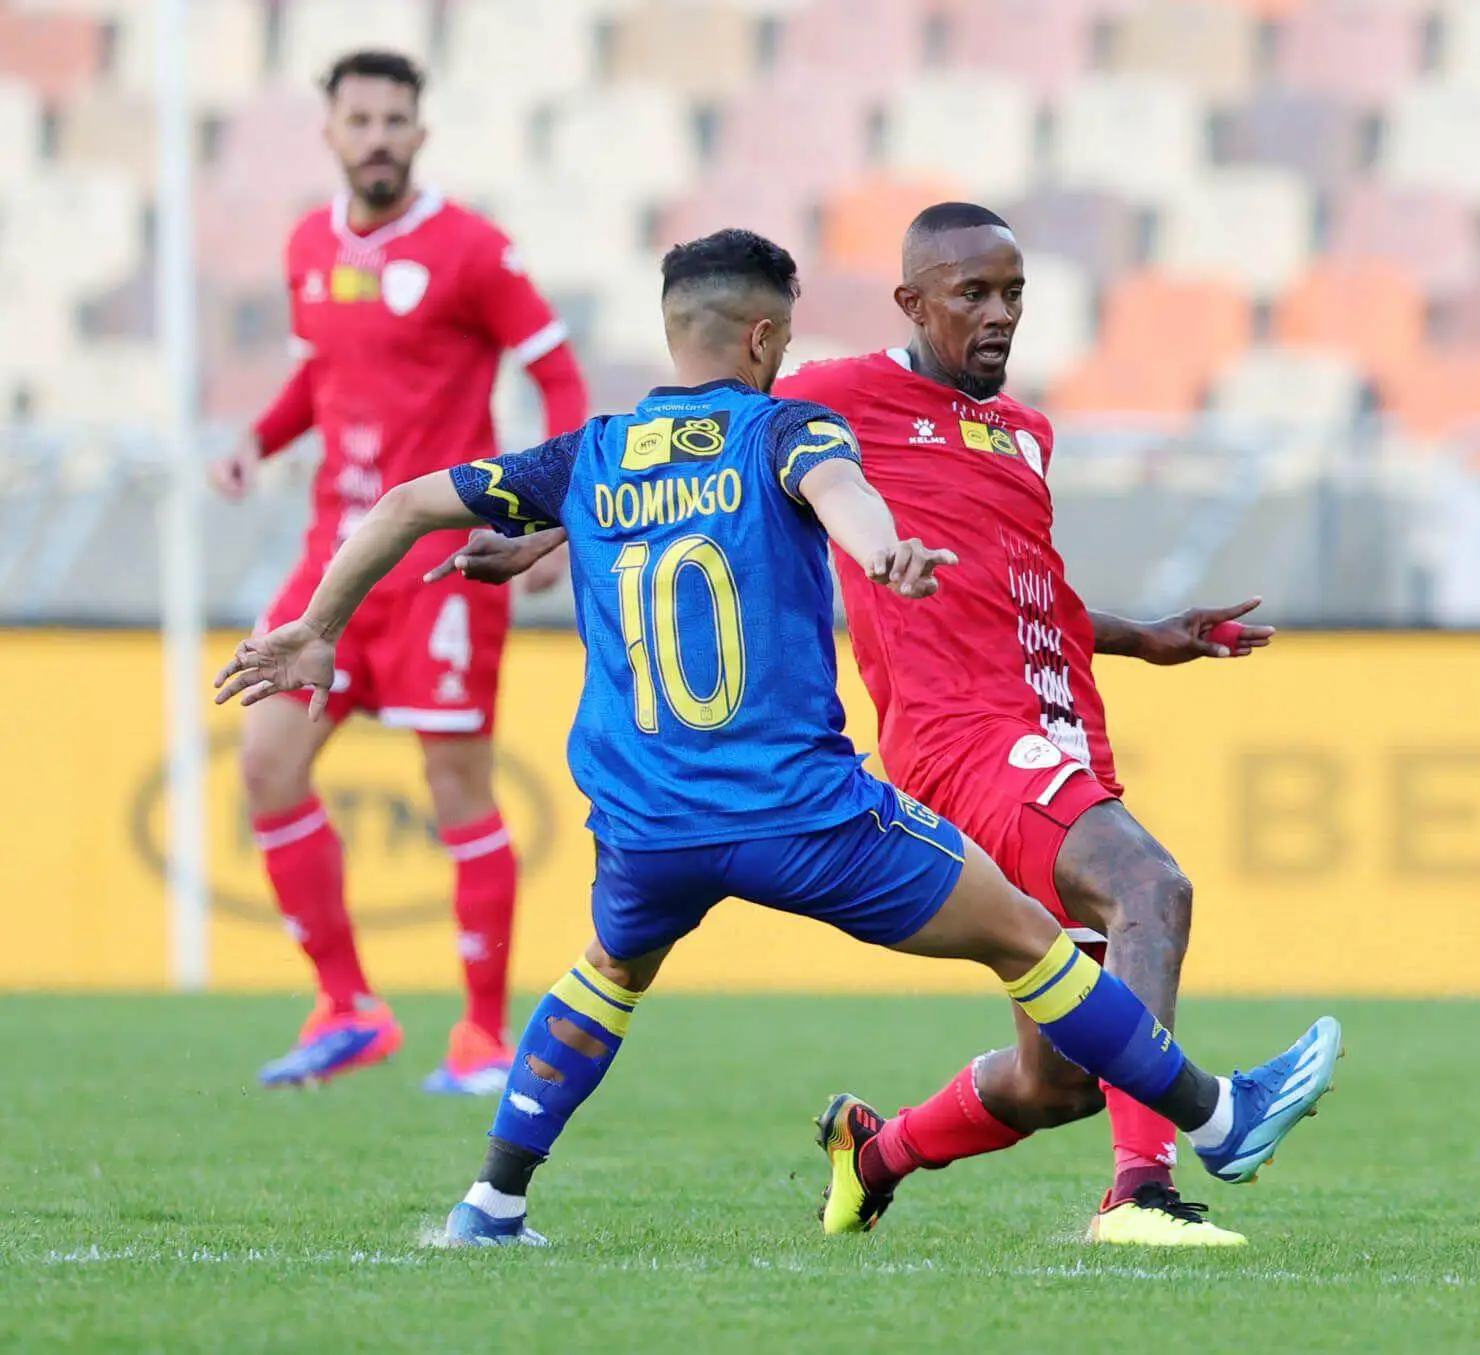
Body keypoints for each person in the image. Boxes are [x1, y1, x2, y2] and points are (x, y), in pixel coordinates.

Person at [212, 228, 1339, 1249]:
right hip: (801, 809)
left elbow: (403, 503)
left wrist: (316, 628)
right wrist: (884, 544)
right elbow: (835, 484)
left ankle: (490, 1204)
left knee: (606, 976)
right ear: (764, 336)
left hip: (648, 818)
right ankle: (1214, 1115)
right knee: (1034, 940)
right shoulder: (792, 425)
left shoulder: (593, 456)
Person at [207, 50, 589, 1094]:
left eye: (393, 119)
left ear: (421, 133)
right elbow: (319, 373)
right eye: (358, 119)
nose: (376, 136)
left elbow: (556, 372)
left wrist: (558, 510)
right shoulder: (306, 247)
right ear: (330, 134)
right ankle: (347, 1004)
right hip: (334, 558)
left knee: (457, 782)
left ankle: (479, 1035)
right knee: (265, 760)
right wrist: (261, 438)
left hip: (438, 558)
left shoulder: (472, 251)